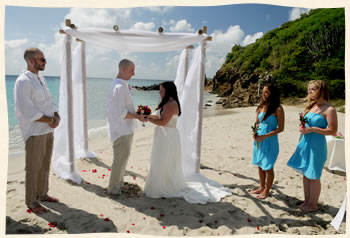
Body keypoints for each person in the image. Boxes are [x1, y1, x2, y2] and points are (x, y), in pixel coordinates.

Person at [144, 81, 231, 204]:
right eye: (160, 90)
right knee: (160, 159)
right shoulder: (166, 103)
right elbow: (159, 118)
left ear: (168, 91)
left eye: (162, 90)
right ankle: (160, 182)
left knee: (165, 160)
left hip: (168, 137)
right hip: (163, 136)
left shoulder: (171, 104)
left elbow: (163, 122)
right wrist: (147, 115)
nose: (160, 92)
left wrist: (148, 119)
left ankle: (163, 185)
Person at [14, 48, 60, 214]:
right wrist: (50, 120)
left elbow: (50, 101)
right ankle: (31, 201)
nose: (45, 62)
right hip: (34, 132)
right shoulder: (23, 81)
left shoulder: (41, 79)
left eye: (45, 59)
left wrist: (57, 115)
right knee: (33, 168)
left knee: (45, 165)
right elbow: (27, 111)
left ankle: (42, 194)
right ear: (31, 61)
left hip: (47, 129)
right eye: (42, 59)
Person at [287, 80, 337, 212]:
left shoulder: (329, 109)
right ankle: (307, 201)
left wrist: (313, 129)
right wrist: (303, 127)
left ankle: (313, 205)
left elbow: (333, 130)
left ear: (322, 90)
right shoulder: (312, 106)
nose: (310, 92)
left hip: (317, 146)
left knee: (313, 175)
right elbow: (306, 124)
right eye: (309, 89)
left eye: (313, 89)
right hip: (305, 143)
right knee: (305, 173)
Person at [107, 59, 146, 196]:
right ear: (123, 69)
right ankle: (113, 189)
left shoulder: (122, 85)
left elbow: (125, 108)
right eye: (131, 70)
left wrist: (137, 114)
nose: (134, 73)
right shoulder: (119, 87)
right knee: (119, 159)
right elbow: (121, 113)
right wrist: (138, 116)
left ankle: (119, 183)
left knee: (123, 158)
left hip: (126, 128)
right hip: (121, 129)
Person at [249, 84, 284, 199]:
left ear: (272, 94)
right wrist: (256, 133)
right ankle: (261, 187)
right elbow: (257, 123)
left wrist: (265, 136)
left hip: (270, 140)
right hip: (259, 140)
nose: (263, 94)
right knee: (260, 164)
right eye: (263, 92)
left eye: (266, 92)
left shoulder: (278, 108)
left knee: (268, 166)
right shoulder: (261, 106)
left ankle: (267, 190)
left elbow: (281, 128)